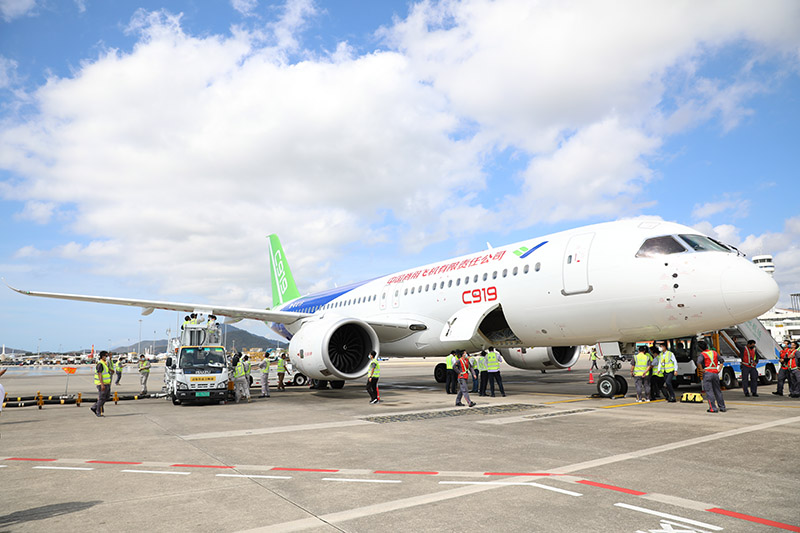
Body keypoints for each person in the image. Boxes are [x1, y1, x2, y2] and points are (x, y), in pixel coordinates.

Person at [698, 340, 726, 413]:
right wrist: (719, 369)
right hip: (715, 373)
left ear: (700, 348)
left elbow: (699, 363)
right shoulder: (714, 352)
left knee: (709, 391)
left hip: (707, 373)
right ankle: (722, 407)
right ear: (707, 346)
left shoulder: (702, 354)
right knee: (718, 391)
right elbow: (722, 361)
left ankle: (713, 408)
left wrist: (701, 370)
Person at [91, 351, 112, 417]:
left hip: (107, 383)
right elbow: (99, 374)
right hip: (102, 384)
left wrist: (111, 370)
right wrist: (102, 384)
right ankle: (98, 411)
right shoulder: (100, 364)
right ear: (102, 356)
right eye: (106, 356)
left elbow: (106, 370)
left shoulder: (104, 363)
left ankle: (95, 407)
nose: (107, 357)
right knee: (101, 398)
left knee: (107, 397)